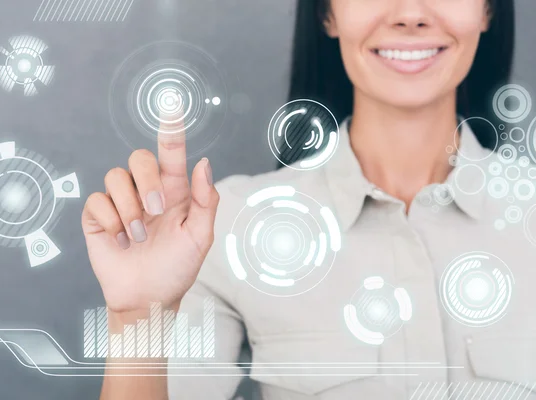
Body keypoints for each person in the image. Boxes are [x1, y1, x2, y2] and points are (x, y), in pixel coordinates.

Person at [82, 0, 532, 398]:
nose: (410, 14)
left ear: (488, 10)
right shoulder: (229, 227)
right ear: (327, 13)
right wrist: (139, 317)